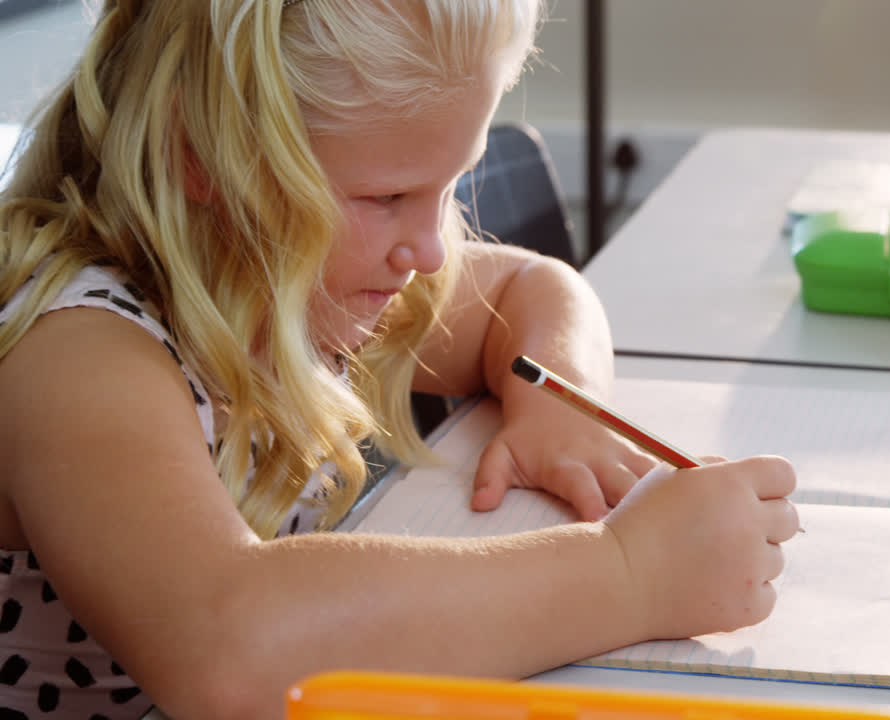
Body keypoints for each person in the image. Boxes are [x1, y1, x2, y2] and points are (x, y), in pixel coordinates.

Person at [0, 0, 799, 717]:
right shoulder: (75, 352)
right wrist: (630, 573)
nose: (427, 247)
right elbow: (229, 653)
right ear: (205, 156)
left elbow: (531, 285)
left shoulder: (289, 271)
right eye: (387, 198)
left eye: (450, 186)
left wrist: (557, 400)